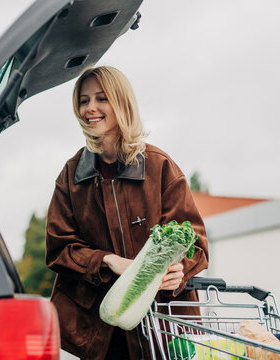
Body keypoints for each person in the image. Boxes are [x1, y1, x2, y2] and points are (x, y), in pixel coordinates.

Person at [45, 66, 208, 360]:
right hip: (99, 335)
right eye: (83, 101)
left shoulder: (160, 167)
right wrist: (107, 261)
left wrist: (179, 269)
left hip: (163, 332)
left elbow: (196, 242)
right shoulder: (70, 177)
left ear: (121, 102)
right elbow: (59, 249)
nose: (90, 108)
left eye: (101, 98)